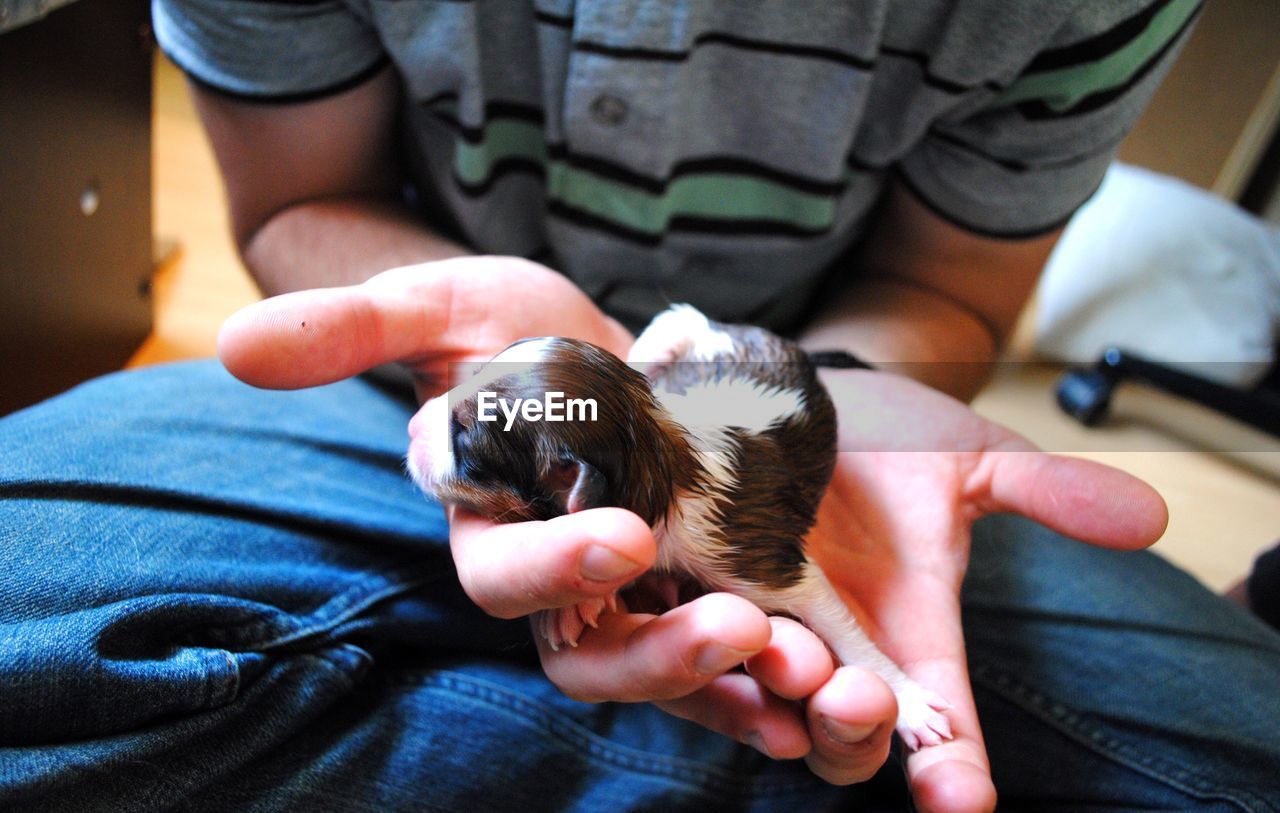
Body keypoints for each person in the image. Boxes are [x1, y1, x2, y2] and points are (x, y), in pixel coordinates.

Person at [3, 1, 1279, 811]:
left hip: (826, 404)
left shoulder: (724, 539)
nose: (434, 454)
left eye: (471, 446)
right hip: (435, 374)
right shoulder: (538, 418)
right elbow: (289, 210)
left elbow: (930, 319)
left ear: (572, 491)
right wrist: (456, 371)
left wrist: (891, 667)